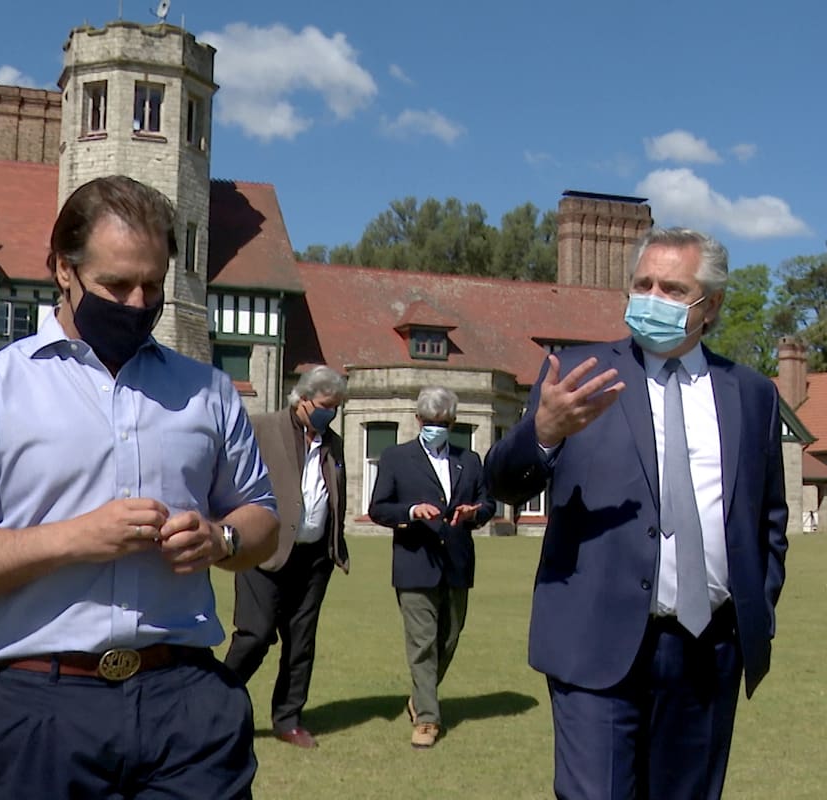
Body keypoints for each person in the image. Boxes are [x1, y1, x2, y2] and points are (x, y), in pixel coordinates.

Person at [0, 175, 279, 799]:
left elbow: (262, 519)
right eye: (116, 285)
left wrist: (221, 538)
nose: (137, 303)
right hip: (46, 706)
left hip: (188, 702)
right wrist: (74, 539)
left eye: (152, 285)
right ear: (63, 270)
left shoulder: (207, 391)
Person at [485, 227, 788, 800]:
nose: (652, 298)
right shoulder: (576, 374)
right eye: (643, 284)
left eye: (672, 289)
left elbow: (768, 520)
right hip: (594, 644)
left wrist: (758, 611)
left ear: (711, 305)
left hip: (707, 650)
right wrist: (542, 434)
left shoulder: (751, 394)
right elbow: (501, 484)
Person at [223, 366, 350, 749]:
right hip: (264, 551)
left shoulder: (333, 443)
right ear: (302, 399)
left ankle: (288, 718)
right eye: (325, 406)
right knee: (255, 635)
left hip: (314, 558)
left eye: (336, 407)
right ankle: (217, 703)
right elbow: (230, 477)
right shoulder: (262, 428)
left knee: (301, 642)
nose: (331, 413)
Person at [368, 386, 495, 749]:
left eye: (442, 422)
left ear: (452, 423)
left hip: (457, 563)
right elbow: (379, 508)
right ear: (418, 420)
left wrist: (475, 513)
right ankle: (427, 718)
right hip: (415, 562)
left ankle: (419, 698)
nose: (435, 427)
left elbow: (488, 503)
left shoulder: (470, 460)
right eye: (429, 421)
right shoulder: (396, 458)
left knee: (449, 638)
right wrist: (411, 512)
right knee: (422, 643)